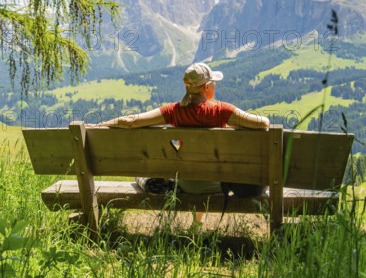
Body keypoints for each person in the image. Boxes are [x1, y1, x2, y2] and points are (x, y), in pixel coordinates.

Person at [86, 62, 270, 222]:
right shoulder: (222, 110)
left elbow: (131, 121)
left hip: (186, 184)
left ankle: (196, 224)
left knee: (150, 177)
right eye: (213, 83)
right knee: (205, 167)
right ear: (206, 87)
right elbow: (263, 123)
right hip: (216, 184)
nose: (215, 86)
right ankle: (197, 225)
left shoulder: (173, 111)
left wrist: (99, 125)